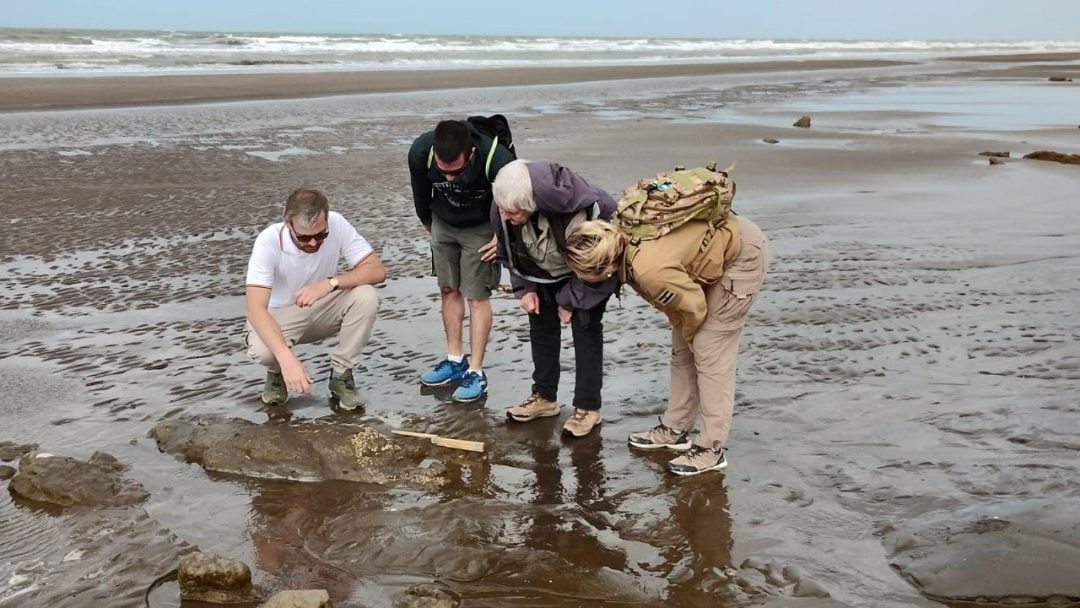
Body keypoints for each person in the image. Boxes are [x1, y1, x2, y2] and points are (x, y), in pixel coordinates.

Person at [564, 211, 767, 474]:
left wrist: (694, 339)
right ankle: (675, 429)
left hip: (742, 254)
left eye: (581, 274)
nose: (580, 280)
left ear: (605, 269)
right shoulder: (621, 244)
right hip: (705, 256)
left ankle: (711, 450)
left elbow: (693, 308)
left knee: (709, 352)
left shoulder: (647, 270)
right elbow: (681, 303)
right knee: (683, 348)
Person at [487, 159, 617, 437]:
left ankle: (587, 407)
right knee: (540, 325)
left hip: (589, 270)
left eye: (511, 212)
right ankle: (544, 398)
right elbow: (508, 248)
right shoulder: (504, 203)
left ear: (531, 205)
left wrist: (570, 300)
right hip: (542, 269)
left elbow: (597, 265)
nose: (504, 216)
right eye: (502, 210)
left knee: (586, 328)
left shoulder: (579, 212)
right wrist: (525, 288)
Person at [245, 187, 385, 411]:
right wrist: (287, 359)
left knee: (366, 296)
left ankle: (341, 376)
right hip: (280, 318)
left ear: (327, 219)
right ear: (288, 224)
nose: (312, 243)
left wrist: (330, 283)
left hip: (322, 308)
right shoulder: (268, 241)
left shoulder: (337, 223)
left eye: (320, 235)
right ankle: (276, 374)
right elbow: (254, 309)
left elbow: (377, 270)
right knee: (263, 350)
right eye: (303, 237)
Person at [408, 119, 515, 402]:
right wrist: (427, 222)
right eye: (445, 173)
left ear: (471, 153)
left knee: (476, 296)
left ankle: (476, 373)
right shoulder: (421, 151)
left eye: (457, 172)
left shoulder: (497, 157)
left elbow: (517, 199)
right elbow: (420, 192)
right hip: (443, 222)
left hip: (482, 226)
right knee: (448, 289)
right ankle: (455, 361)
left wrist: (503, 236)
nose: (451, 179)